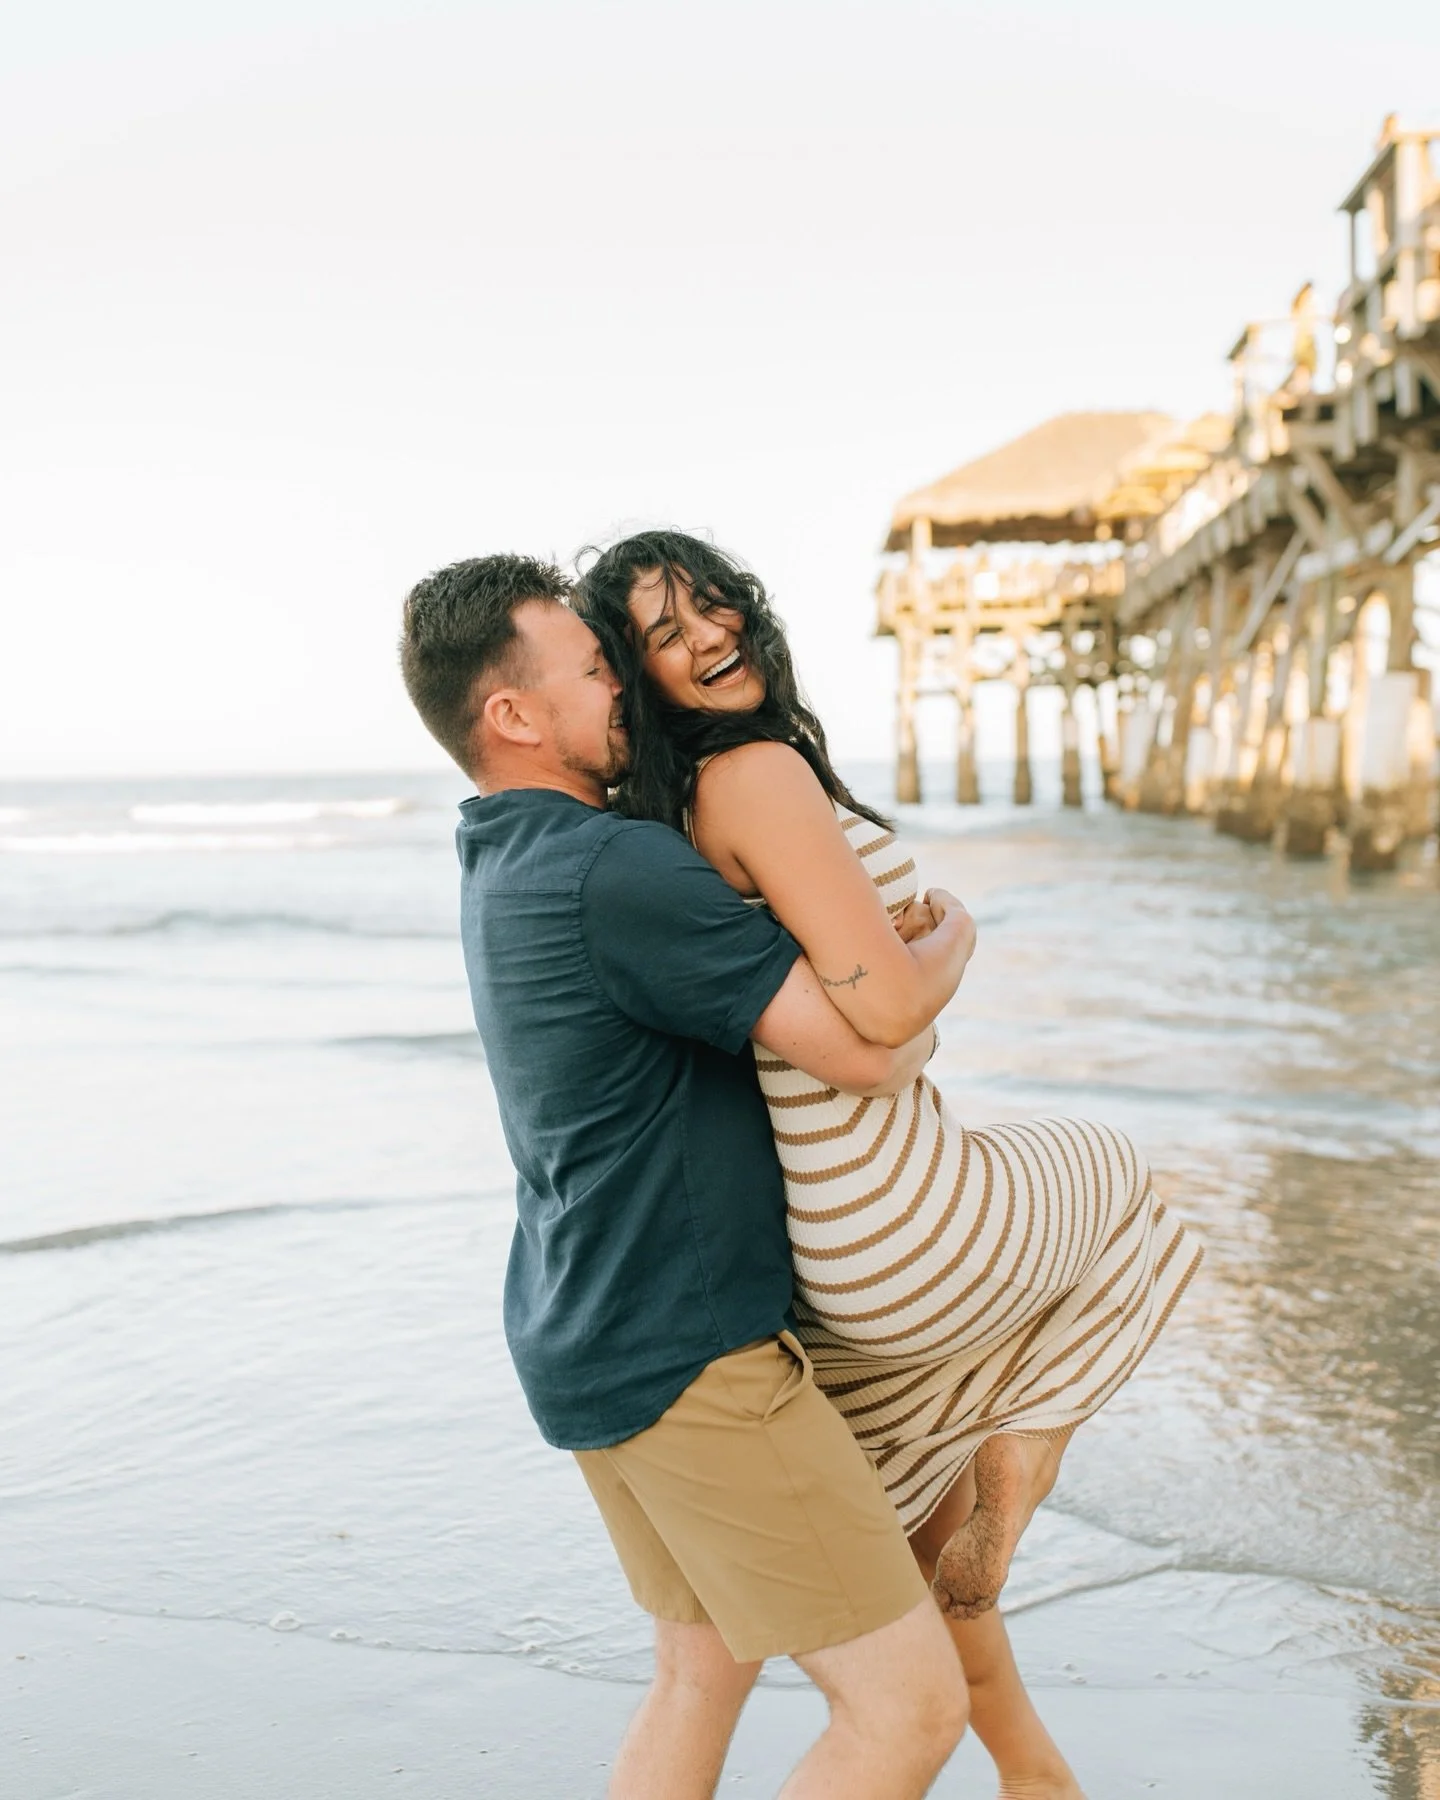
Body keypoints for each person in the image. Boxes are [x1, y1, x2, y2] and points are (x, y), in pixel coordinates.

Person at [576, 529, 1207, 1800]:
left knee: (913, 1533)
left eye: (713, 605)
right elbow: (883, 1022)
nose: (709, 635)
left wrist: (875, 962)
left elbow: (822, 991)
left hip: (824, 1253)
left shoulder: (667, 819)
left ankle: (1038, 1774)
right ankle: (1026, 1459)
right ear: (640, 676)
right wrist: (952, 935)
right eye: (667, 633)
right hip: (898, 1207)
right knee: (1128, 1180)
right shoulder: (756, 772)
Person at [398, 553, 976, 1800]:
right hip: (690, 1357)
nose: (624, 683)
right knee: (909, 1712)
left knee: (696, 1671)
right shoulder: (617, 871)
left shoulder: (501, 855)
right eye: (596, 666)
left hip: (585, 1337)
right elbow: (869, 1055)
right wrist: (946, 955)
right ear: (512, 715)